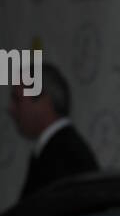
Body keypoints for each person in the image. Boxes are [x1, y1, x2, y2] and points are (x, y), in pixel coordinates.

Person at [9, 62, 98, 200]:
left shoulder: (64, 157)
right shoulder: (60, 150)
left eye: (17, 100)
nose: (11, 109)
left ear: (44, 103)